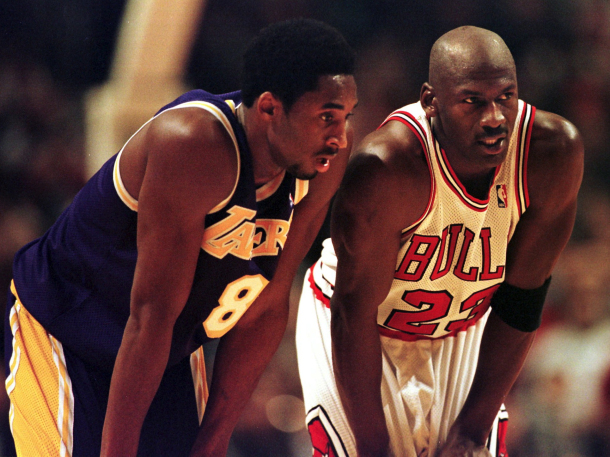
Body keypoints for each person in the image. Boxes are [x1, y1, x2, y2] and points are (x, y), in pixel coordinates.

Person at [5, 18, 357, 456]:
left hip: (165, 347)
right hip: (67, 324)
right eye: (327, 117)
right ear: (269, 109)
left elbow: (265, 309)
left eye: (345, 118)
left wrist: (213, 442)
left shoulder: (318, 163)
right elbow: (149, 316)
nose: (340, 139)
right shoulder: (194, 144)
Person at [296, 25, 583, 457]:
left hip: (461, 326)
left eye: (506, 97)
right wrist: (374, 449)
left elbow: (522, 301)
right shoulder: (387, 167)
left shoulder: (552, 152)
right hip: (362, 325)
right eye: (472, 101)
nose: (494, 118)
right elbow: (353, 314)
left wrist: (473, 427)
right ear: (431, 101)